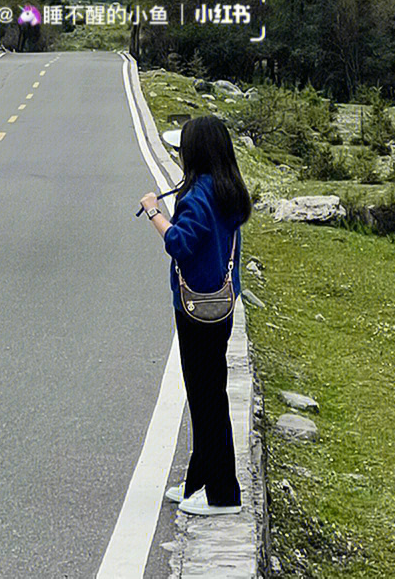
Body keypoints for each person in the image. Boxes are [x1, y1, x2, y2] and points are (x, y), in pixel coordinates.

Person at [139, 114, 251, 517]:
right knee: (208, 391)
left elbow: (181, 243)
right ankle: (197, 482)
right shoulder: (228, 189)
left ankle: (223, 494)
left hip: (196, 307)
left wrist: (155, 211)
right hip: (221, 303)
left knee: (206, 398)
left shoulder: (199, 195)